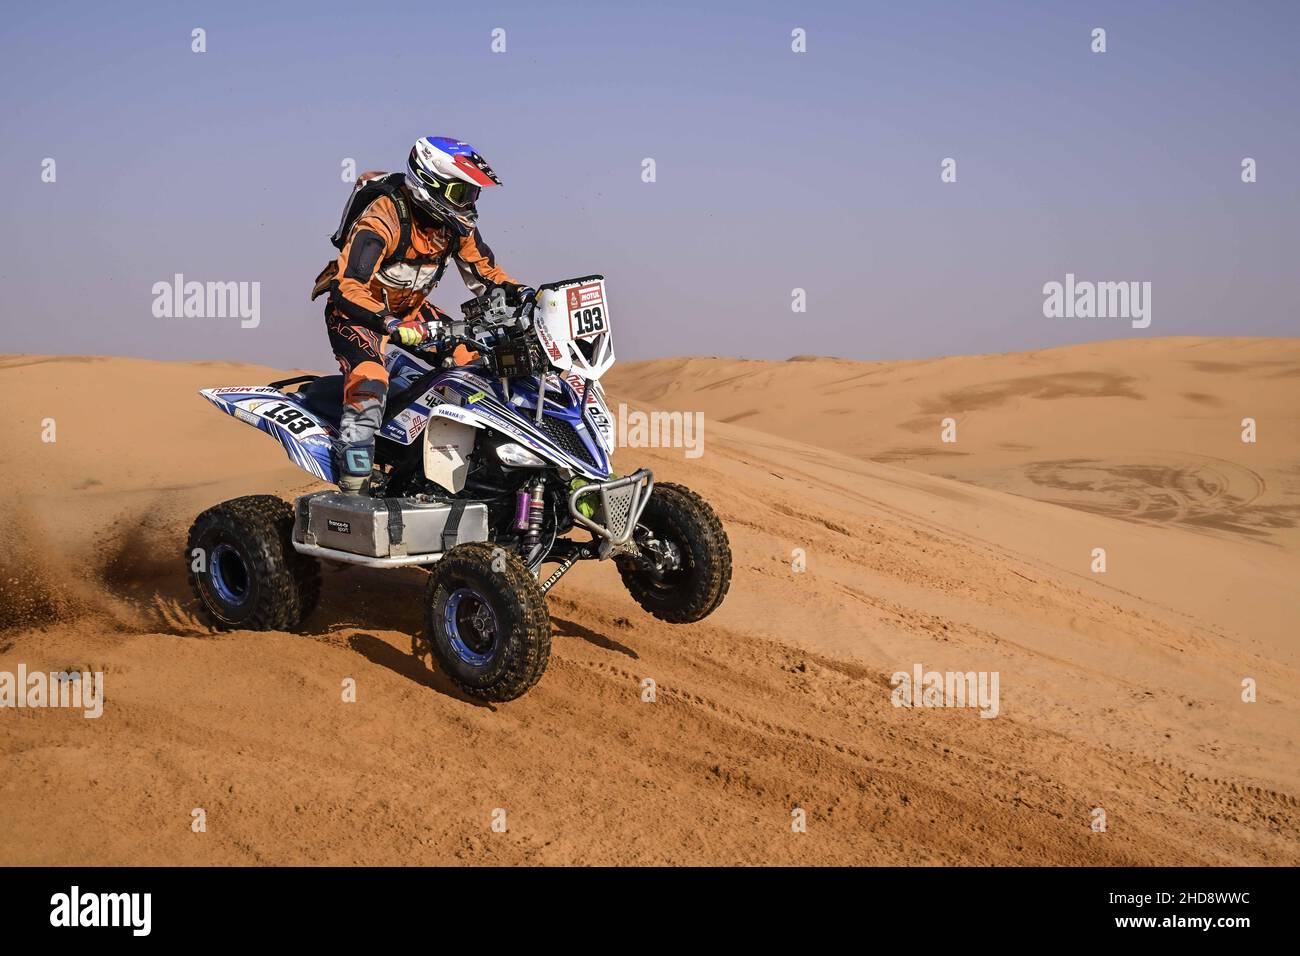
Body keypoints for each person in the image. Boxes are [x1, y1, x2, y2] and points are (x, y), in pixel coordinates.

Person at [313, 136, 533, 493]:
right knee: (370, 378)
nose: (469, 202)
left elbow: (487, 275)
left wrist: (527, 295)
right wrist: (390, 325)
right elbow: (347, 286)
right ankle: (354, 480)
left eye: (473, 194)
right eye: (462, 192)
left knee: (477, 361)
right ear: (430, 184)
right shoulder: (383, 217)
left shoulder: (455, 226)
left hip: (411, 310)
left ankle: (472, 466)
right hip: (359, 313)